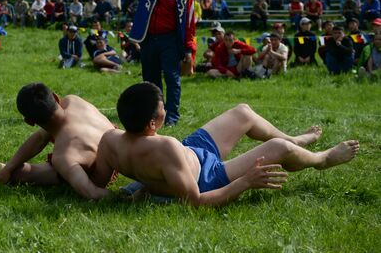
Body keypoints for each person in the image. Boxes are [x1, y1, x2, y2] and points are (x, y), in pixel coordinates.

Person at [91, 82, 359, 207]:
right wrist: (245, 182)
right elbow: (196, 201)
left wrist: (143, 186)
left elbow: (99, 182)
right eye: (162, 109)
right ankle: (322, 159)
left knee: (243, 112)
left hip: (188, 154)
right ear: (152, 123)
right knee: (280, 149)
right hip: (208, 176)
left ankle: (295, 138)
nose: (165, 109)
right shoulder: (165, 148)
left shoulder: (109, 139)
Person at [107, 0, 196, 126]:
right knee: (150, 81)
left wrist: (190, 50)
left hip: (170, 40)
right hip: (148, 38)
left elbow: (190, 24)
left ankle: (172, 117)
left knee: (173, 79)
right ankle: (154, 115)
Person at [0, 83, 114, 200]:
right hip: (118, 146)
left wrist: (125, 198)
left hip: (100, 170)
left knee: (19, 174)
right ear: (55, 97)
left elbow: (91, 192)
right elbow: (39, 139)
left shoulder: (63, 157)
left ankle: (8, 170)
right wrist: (8, 168)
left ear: (29, 122)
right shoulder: (73, 100)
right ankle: (7, 169)